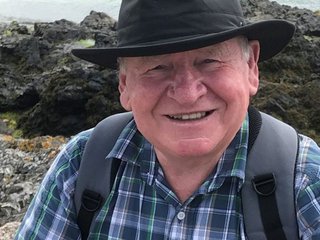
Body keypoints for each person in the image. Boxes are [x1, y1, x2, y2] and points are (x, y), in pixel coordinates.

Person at [15, 0, 320, 239]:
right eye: (157, 67)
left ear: (251, 67)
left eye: (210, 60)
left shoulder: (305, 182)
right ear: (124, 85)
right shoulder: (81, 165)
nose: (187, 94)